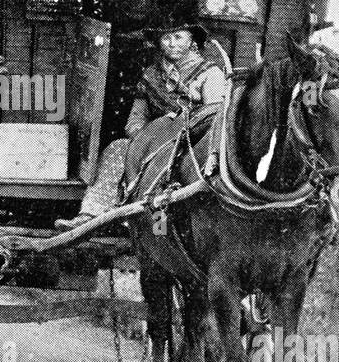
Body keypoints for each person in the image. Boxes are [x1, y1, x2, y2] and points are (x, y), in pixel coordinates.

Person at [56, 18, 226, 230]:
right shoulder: (151, 75)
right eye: (166, 38)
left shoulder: (210, 74)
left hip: (191, 145)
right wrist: (146, 139)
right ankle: (91, 217)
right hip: (153, 143)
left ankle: (159, 232)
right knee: (117, 148)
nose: (172, 43)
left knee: (166, 175)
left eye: (178, 37)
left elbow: (214, 120)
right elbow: (135, 119)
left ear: (192, 42)